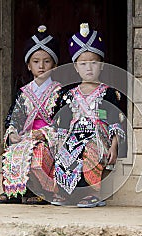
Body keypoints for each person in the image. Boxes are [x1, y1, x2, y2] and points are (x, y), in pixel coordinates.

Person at [53, 23, 125, 208]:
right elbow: (64, 122)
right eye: (83, 64)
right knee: (66, 153)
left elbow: (116, 122)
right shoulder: (68, 94)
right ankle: (65, 193)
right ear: (76, 67)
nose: (89, 68)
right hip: (74, 135)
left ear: (101, 65)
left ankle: (90, 194)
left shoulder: (109, 93)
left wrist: (114, 147)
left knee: (89, 150)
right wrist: (61, 143)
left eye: (94, 63)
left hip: (98, 136)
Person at [0, 25, 62, 204]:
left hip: (48, 138)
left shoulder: (60, 92)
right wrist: (12, 133)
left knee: (38, 153)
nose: (41, 66)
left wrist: (44, 134)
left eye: (47, 61)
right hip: (27, 136)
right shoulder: (24, 92)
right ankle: (14, 192)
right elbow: (15, 117)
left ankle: (42, 192)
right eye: (36, 61)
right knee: (13, 152)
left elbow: (63, 120)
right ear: (28, 65)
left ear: (55, 65)